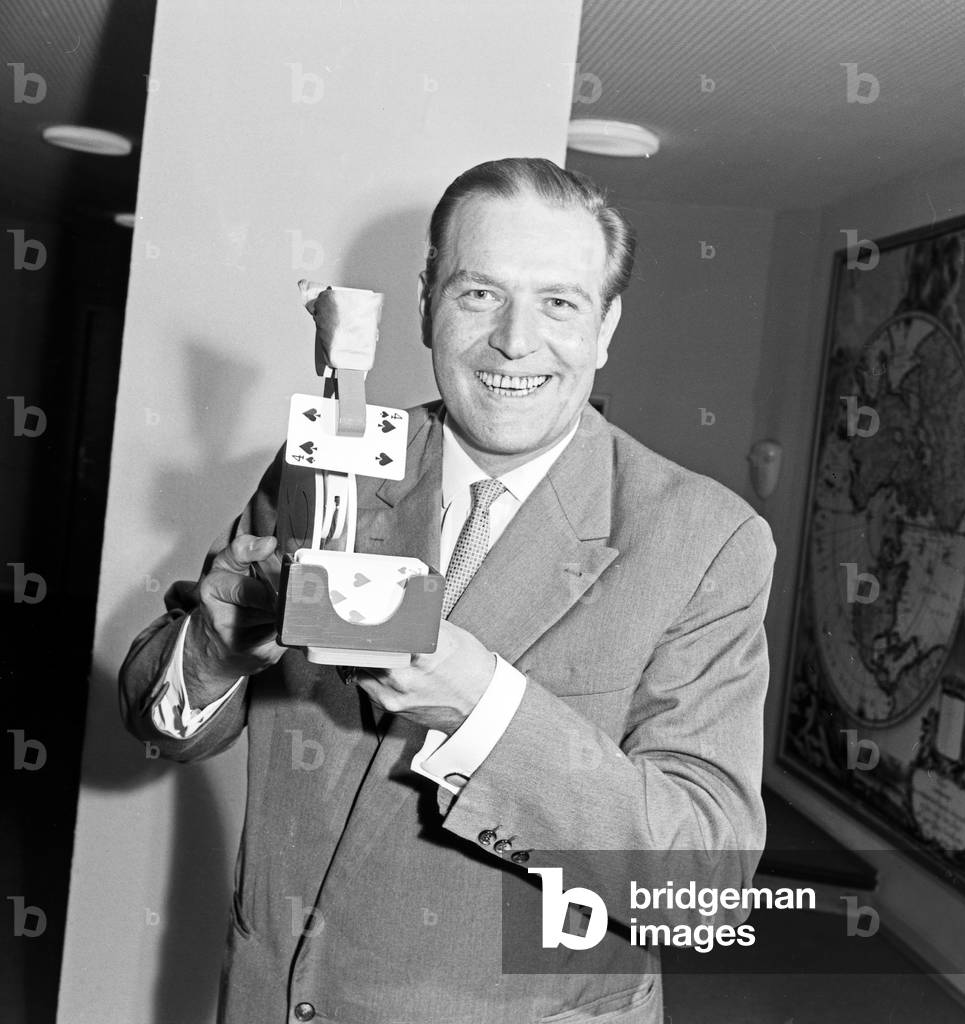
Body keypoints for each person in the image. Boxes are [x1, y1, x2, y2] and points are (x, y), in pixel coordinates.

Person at [120, 157, 776, 1024]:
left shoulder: (705, 539)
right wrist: (214, 647)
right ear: (429, 297)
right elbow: (155, 717)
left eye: (559, 302)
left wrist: (486, 710)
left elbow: (704, 883)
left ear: (607, 326)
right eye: (478, 293)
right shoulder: (327, 464)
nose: (513, 340)